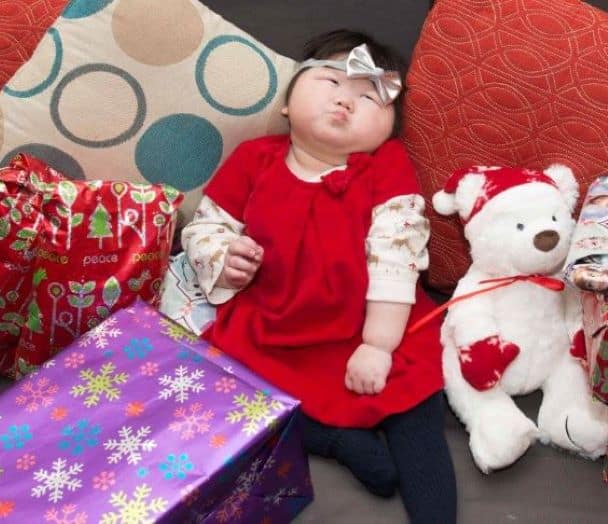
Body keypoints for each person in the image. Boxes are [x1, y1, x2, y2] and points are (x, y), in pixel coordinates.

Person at [181, 29, 455, 523]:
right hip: (275, 323)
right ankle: (336, 441)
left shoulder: (386, 166)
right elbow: (207, 226)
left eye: (368, 96)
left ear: (390, 127)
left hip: (373, 321)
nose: (344, 101)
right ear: (287, 104)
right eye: (331, 82)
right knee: (236, 399)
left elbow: (397, 252)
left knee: (416, 407)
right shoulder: (254, 159)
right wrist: (224, 256)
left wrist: (378, 344)